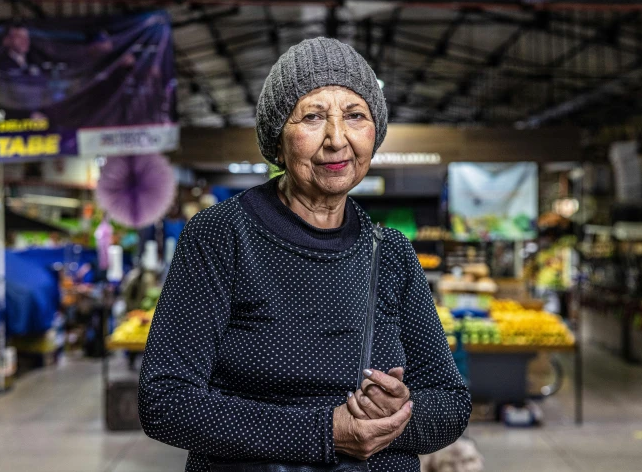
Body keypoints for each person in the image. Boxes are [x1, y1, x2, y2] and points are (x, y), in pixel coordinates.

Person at [139, 37, 471, 471]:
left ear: (375, 133)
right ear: (278, 140)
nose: (336, 140)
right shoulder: (221, 236)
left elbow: (450, 402)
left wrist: (393, 418)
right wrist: (327, 433)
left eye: (355, 116)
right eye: (312, 117)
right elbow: (165, 400)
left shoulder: (391, 253)